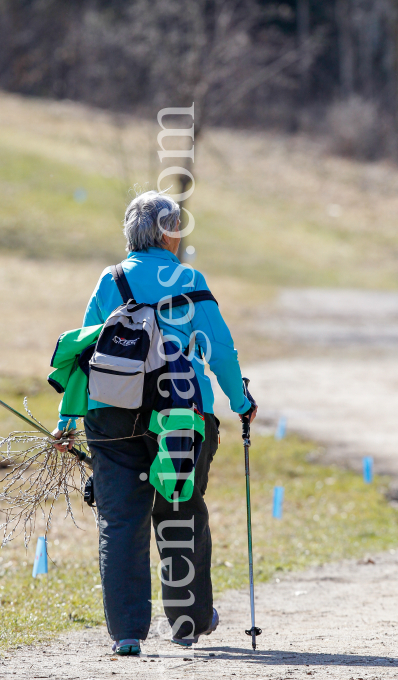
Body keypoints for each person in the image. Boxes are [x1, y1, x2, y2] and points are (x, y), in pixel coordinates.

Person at [53, 190, 257, 655]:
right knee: (180, 509)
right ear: (167, 233)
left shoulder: (111, 280)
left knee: (121, 520)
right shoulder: (188, 280)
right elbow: (220, 351)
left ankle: (127, 633)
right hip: (182, 417)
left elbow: (85, 352)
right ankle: (188, 623)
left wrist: (67, 418)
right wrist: (241, 401)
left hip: (110, 416)